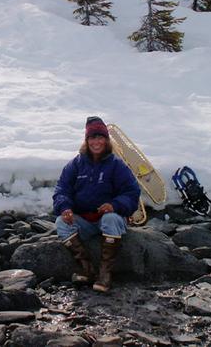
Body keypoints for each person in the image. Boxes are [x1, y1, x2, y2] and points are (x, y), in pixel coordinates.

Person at [53, 116, 141, 292]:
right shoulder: (75, 165)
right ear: (87, 140)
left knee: (111, 219)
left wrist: (114, 205)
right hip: (85, 220)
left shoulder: (117, 165)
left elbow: (132, 193)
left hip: (109, 218)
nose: (96, 142)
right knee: (61, 223)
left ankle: (105, 274)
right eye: (92, 138)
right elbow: (61, 190)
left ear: (106, 140)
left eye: (100, 137)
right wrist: (65, 208)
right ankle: (86, 269)